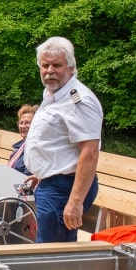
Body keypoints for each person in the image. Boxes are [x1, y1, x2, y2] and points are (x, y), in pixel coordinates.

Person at [23, 37, 102, 243]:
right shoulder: (52, 94)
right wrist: (42, 174)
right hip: (51, 184)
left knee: (51, 253)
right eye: (45, 65)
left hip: (64, 188)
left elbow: (90, 152)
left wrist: (75, 202)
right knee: (54, 250)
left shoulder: (79, 100)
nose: (50, 71)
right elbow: (57, 144)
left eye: (57, 65)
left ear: (71, 67)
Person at [7, 104, 38, 175]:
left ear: (36, 124)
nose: (23, 126)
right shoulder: (19, 147)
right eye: (21, 123)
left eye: (27, 123)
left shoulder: (35, 149)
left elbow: (27, 176)